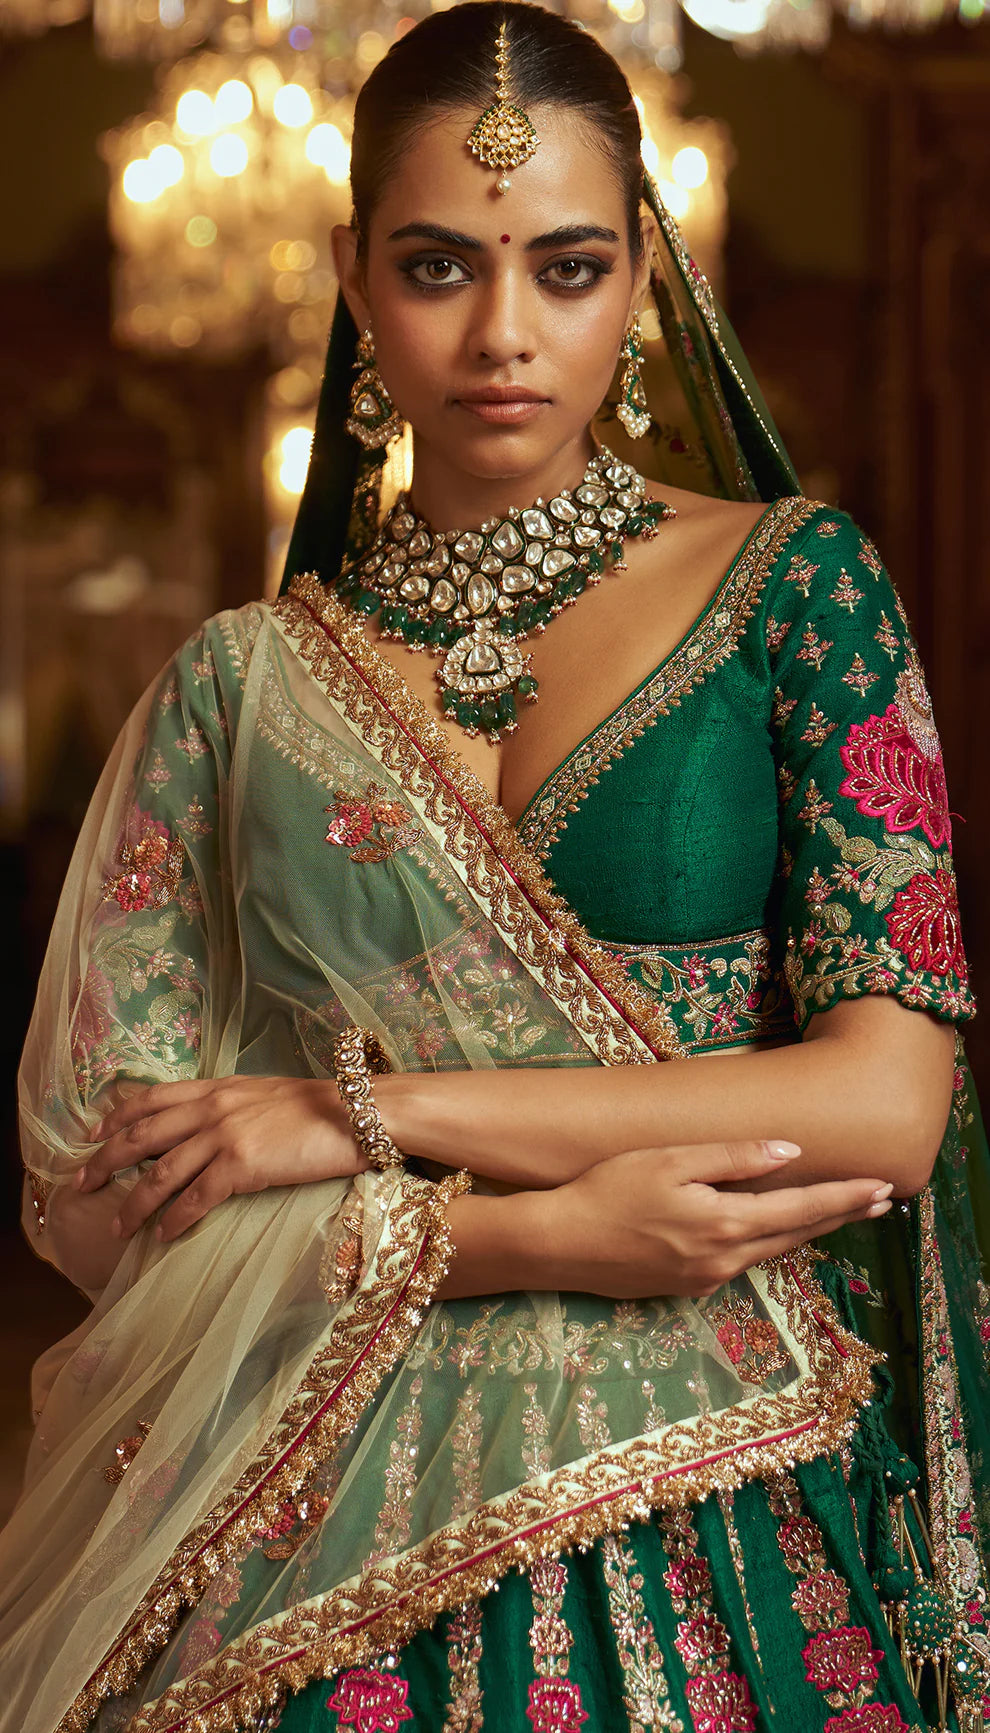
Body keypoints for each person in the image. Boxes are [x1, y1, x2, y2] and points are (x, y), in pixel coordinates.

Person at [3, 4, 989, 1730]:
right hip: (298, 1512)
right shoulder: (241, 691)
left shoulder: (794, 590)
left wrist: (354, 1119)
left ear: (644, 277)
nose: (505, 333)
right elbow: (112, 1199)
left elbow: (881, 1105)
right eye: (438, 267)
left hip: (731, 1481)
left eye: (569, 266)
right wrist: (541, 1237)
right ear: (352, 278)